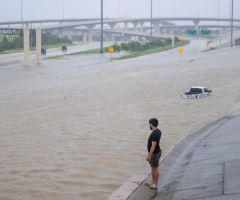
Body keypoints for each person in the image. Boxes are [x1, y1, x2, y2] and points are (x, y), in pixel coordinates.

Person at [145, 118, 162, 190]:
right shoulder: (158, 131)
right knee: (153, 168)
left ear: (151, 124)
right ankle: (152, 182)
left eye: (149, 124)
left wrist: (149, 155)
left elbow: (153, 146)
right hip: (156, 152)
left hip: (155, 153)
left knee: (155, 168)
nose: (149, 125)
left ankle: (155, 184)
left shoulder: (155, 133)